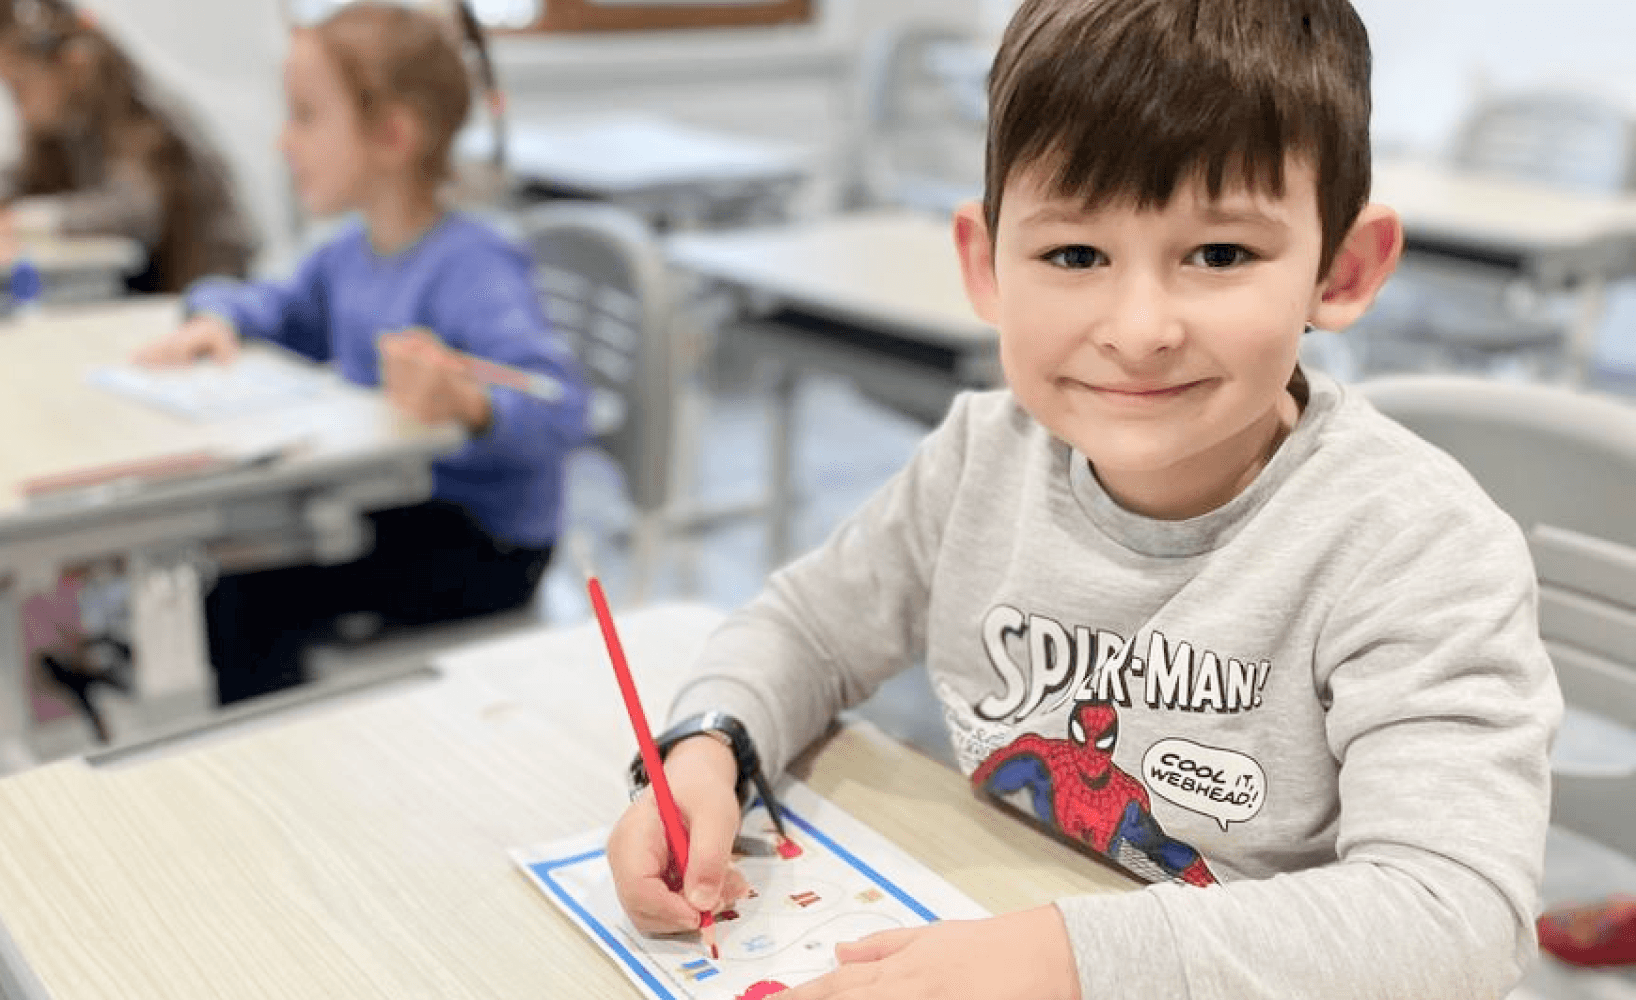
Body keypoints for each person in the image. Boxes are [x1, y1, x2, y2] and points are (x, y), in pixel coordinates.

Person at [605, 1, 1562, 998]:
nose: (1139, 327)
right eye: (1073, 256)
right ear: (986, 265)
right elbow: (809, 628)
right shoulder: (985, 455)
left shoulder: (1413, 547)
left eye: (1220, 254)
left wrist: (1066, 957)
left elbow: (1456, 920)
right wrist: (708, 743)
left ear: (1343, 267)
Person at [133, 2, 588, 706]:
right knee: (229, 578)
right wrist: (216, 316)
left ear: (391, 135)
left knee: (247, 605)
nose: (285, 142)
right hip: (390, 503)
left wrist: (469, 402)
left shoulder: (475, 265)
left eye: (307, 117)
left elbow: (561, 406)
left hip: (486, 544)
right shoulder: (348, 255)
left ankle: (284, 771)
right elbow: (275, 308)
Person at [0, 0, 256, 292]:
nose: (17, 107)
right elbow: (22, 179)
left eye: (20, 88)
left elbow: (136, 211)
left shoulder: (141, 117)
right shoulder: (60, 130)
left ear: (75, 63)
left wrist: (28, 222)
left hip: (209, 288)